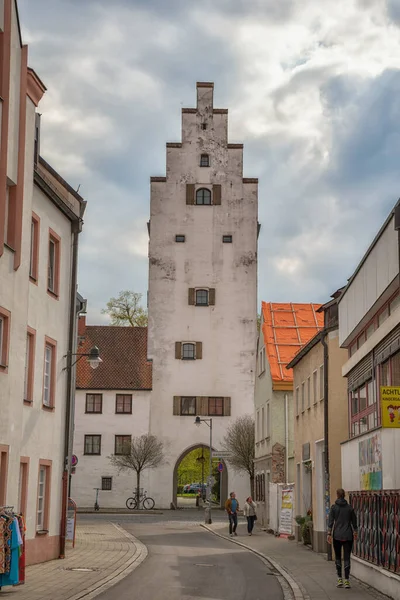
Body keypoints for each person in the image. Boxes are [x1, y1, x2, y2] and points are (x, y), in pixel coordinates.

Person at [327, 488, 358, 589]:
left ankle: (339, 578)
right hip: (348, 536)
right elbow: (354, 521)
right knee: (347, 557)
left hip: (337, 536)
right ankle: (347, 581)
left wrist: (329, 533)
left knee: (338, 557)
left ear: (337, 495)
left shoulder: (334, 508)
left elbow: (331, 521)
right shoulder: (349, 508)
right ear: (344, 495)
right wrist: (355, 531)